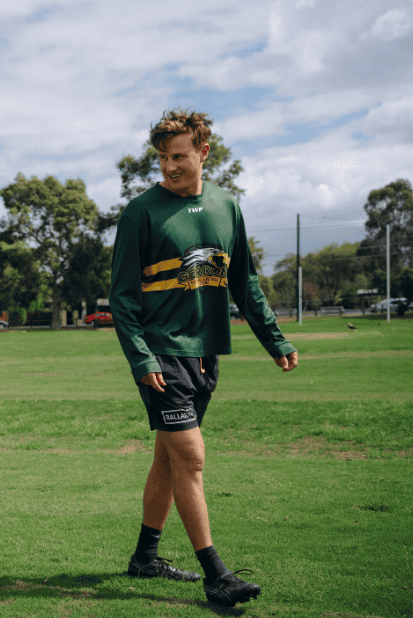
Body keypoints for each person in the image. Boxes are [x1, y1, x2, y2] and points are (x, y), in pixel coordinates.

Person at [110, 108, 299, 608]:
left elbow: (246, 286)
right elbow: (123, 297)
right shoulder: (141, 211)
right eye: (162, 159)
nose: (169, 167)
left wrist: (275, 340)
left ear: (203, 152)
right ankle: (217, 574)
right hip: (161, 354)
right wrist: (141, 357)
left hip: (204, 355)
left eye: (178, 157)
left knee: (169, 462)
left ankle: (145, 558)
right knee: (191, 457)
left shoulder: (226, 207)